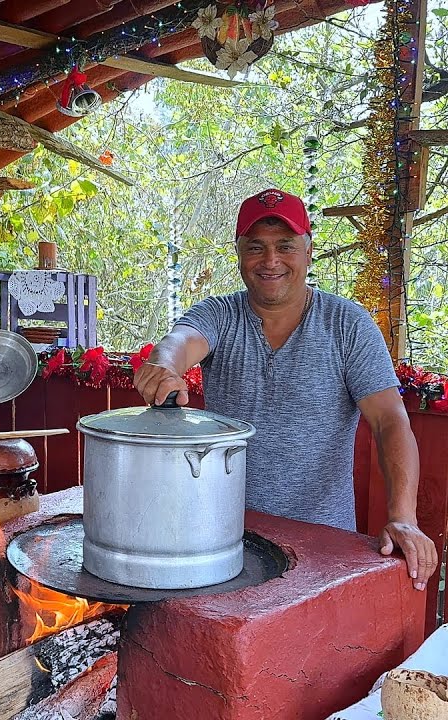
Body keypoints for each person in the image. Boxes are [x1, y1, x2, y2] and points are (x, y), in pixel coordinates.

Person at [134, 188, 437, 591]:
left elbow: (389, 421)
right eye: (256, 247)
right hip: (224, 535)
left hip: (324, 543)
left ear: (309, 251)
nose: (271, 260)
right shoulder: (220, 313)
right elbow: (181, 340)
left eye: (286, 246)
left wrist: (403, 517)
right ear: (239, 254)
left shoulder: (347, 324)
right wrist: (164, 365)